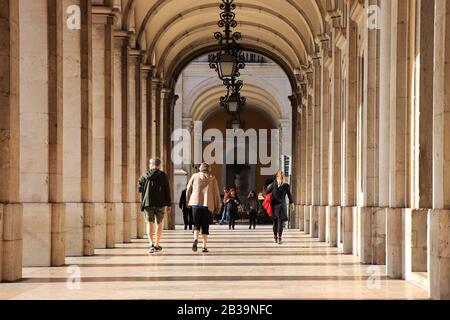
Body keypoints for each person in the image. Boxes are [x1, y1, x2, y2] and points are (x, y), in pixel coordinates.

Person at [138, 158, 171, 254]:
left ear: (151, 165)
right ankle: (157, 244)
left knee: (149, 223)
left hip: (148, 203)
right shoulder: (163, 175)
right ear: (159, 165)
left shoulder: (144, 175)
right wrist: (168, 204)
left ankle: (150, 243)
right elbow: (167, 190)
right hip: (160, 203)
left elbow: (139, 188)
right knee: (159, 223)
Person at [186, 163, 221, 253]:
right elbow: (217, 194)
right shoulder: (213, 179)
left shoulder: (195, 176)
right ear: (209, 169)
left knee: (196, 224)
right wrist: (218, 206)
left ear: (200, 169)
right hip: (207, 205)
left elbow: (188, 189)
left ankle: (195, 239)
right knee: (205, 225)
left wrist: (188, 201)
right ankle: (204, 246)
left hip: (196, 203)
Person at [266, 170, 294, 245]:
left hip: (282, 205)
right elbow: (267, 192)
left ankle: (279, 237)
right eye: (279, 176)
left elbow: (289, 195)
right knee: (275, 222)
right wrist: (269, 187)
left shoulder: (286, 185)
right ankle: (275, 236)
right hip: (274, 205)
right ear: (277, 176)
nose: (281, 177)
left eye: (282, 176)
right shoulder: (273, 184)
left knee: (281, 222)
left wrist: (292, 202)